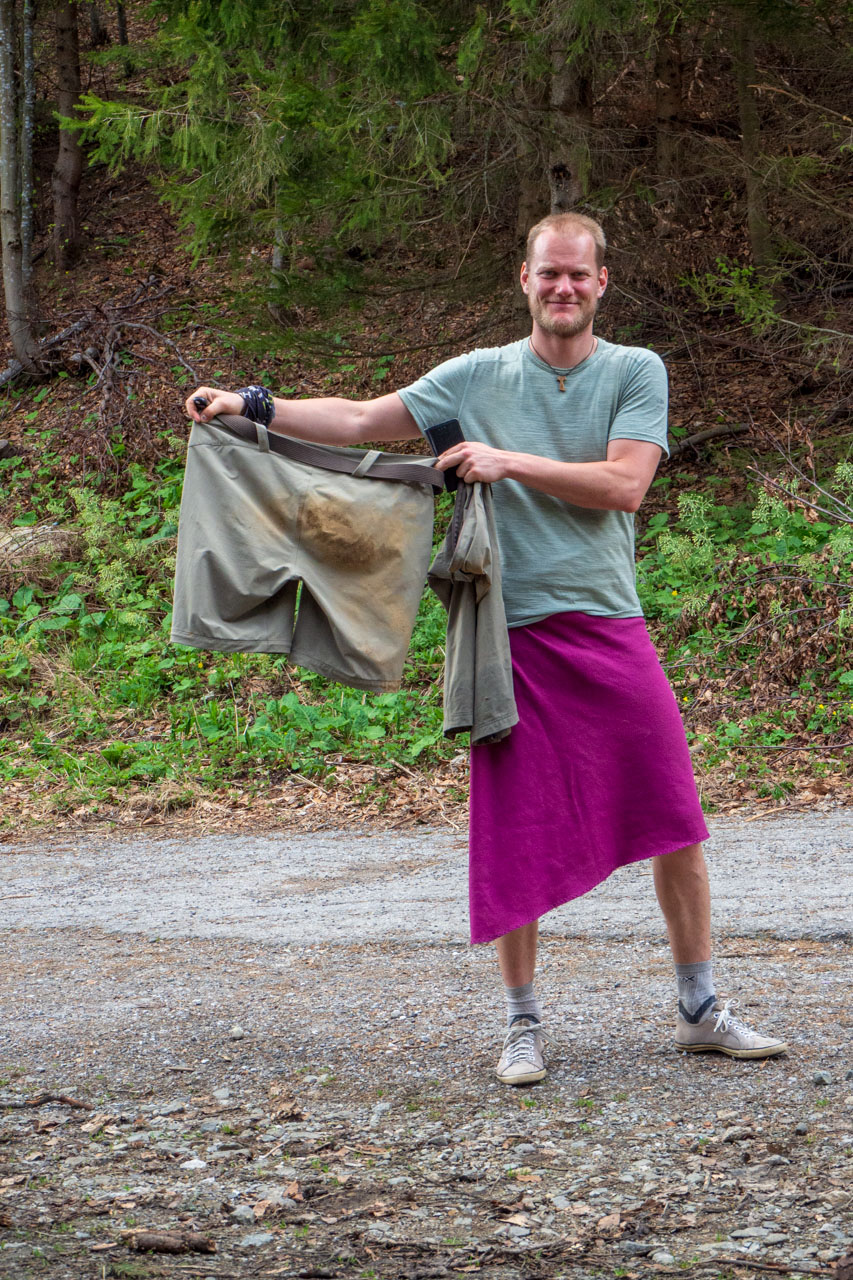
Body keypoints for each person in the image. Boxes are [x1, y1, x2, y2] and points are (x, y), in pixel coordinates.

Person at [185, 212, 787, 1084]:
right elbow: (360, 421)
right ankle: (521, 1025)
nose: (564, 288)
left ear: (602, 283)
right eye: (549, 274)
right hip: (507, 635)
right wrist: (253, 404)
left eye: (578, 275)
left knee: (674, 820)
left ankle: (699, 1008)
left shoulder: (634, 371)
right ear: (525, 279)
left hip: (607, 623)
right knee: (515, 830)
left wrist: (508, 462)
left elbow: (623, 485)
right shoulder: (476, 375)